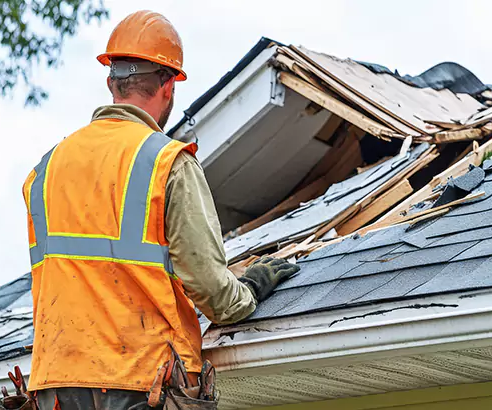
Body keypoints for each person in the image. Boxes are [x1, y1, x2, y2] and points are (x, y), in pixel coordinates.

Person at [21, 10, 299, 410]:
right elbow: (213, 293)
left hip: (54, 386)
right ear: (168, 85)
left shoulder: (44, 171)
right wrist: (252, 287)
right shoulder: (167, 162)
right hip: (143, 383)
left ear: (111, 83)